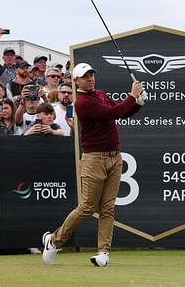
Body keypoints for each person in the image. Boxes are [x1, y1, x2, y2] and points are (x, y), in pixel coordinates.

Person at [42, 63, 146, 267]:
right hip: (93, 159)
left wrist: (138, 103)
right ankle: (54, 241)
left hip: (115, 157)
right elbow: (111, 114)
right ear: (75, 81)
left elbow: (122, 112)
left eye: (91, 74)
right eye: (85, 76)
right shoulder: (81, 102)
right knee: (87, 207)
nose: (90, 78)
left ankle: (103, 252)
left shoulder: (100, 94)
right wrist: (133, 96)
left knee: (108, 208)